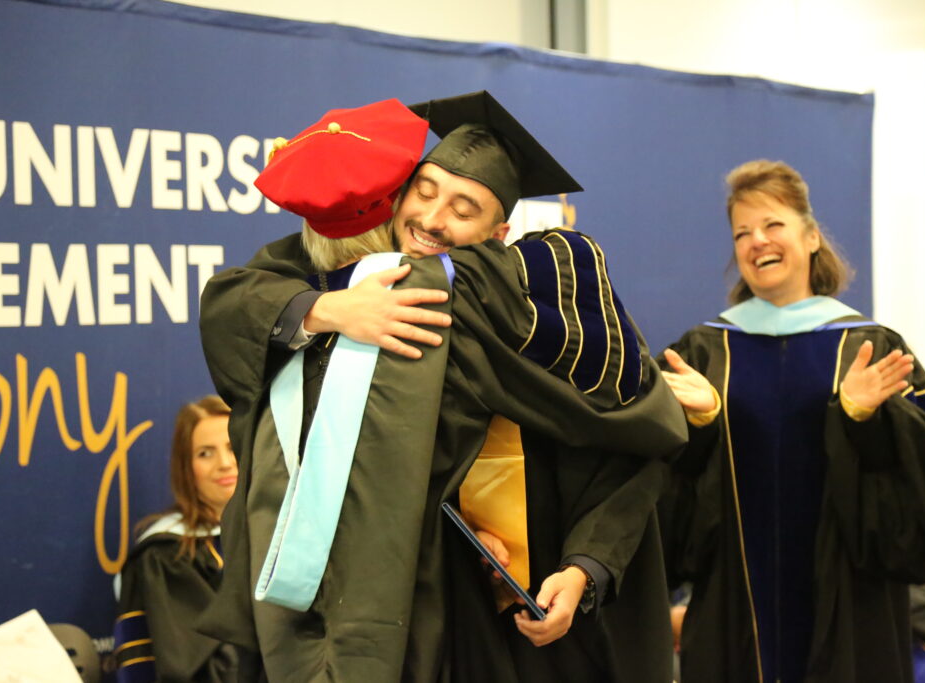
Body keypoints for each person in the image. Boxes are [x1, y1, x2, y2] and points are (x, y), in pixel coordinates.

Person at [196, 95, 687, 682]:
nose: (432, 219)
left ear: (499, 231)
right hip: (376, 599)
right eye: (424, 191)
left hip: (502, 614)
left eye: (464, 208)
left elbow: (632, 449)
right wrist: (329, 310)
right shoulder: (342, 275)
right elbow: (234, 303)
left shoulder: (531, 309)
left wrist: (584, 568)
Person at [659, 159, 925, 683]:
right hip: (734, 606)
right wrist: (698, 428)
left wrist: (868, 422)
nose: (758, 242)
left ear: (812, 237)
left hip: (852, 604)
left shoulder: (868, 347)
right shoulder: (704, 352)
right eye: (742, 233)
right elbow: (666, 498)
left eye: (774, 225)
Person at [114, 395, 239, 682]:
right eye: (205, 453)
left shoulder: (278, 539)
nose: (225, 463)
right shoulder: (167, 555)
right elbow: (189, 666)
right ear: (186, 467)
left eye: (234, 447)